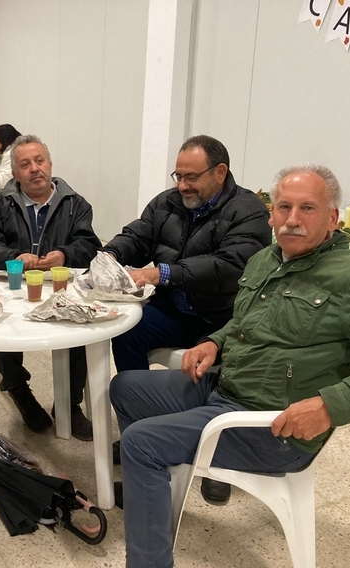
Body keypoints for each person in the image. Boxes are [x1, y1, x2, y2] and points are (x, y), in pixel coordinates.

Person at [108, 164, 350, 568]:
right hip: (228, 389)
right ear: (270, 214)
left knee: (141, 443)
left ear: (333, 219)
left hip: (271, 425)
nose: (292, 219)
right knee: (125, 387)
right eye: (283, 206)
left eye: (307, 208)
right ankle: (159, 487)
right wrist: (215, 342)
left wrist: (329, 406)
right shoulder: (268, 258)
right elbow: (251, 324)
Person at [104, 135, 272, 503]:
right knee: (126, 331)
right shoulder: (168, 202)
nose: (182, 185)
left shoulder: (250, 211)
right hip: (174, 312)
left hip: (223, 319)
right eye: (178, 175)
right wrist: (112, 253)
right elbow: (138, 234)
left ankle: (219, 456)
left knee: (226, 377)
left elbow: (230, 267)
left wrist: (161, 273)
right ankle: (140, 433)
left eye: (191, 177)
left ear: (220, 172)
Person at [0, 135, 101, 441]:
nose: (34, 169)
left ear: (50, 164)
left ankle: (68, 405)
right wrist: (14, 257)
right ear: (15, 173)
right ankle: (18, 389)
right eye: (25, 164)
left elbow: (88, 244)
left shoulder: (75, 204)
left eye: (39, 161)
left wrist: (64, 255)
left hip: (59, 286)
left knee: (81, 328)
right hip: (13, 285)